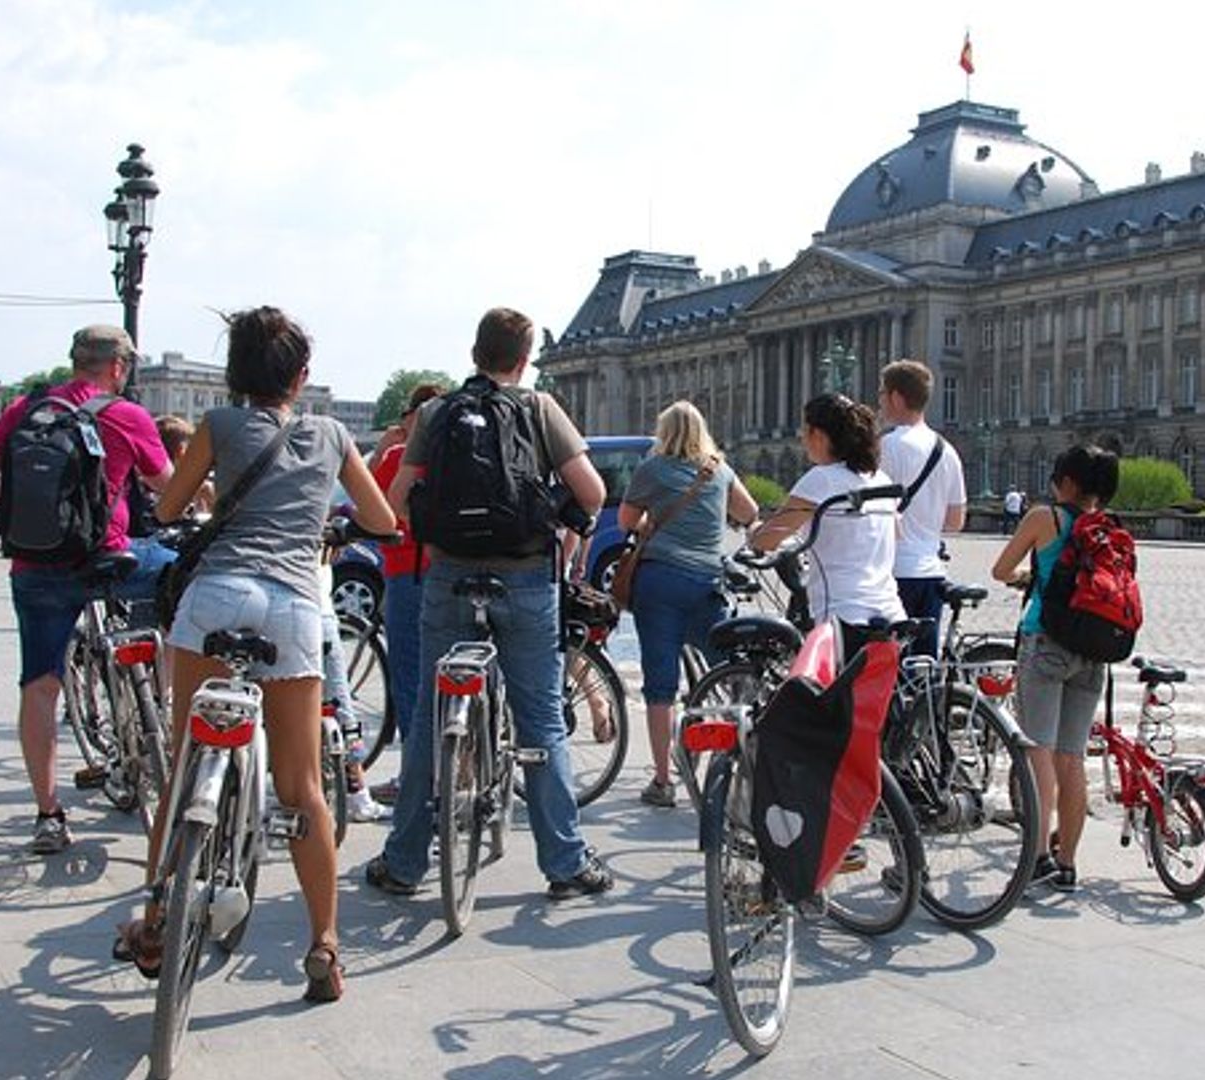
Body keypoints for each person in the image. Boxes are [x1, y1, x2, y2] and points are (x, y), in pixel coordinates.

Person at [125, 306, 393, 1003]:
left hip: (215, 597)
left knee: (186, 761)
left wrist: (216, 498)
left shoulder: (216, 425)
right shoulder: (332, 434)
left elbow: (165, 510)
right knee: (302, 788)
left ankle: (155, 916)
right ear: (302, 377)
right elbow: (383, 520)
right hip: (294, 607)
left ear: (236, 376)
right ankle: (325, 948)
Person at [366, 306, 613, 901]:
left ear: (474, 353)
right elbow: (594, 493)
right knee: (542, 723)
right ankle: (565, 863)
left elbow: (398, 499)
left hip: (448, 575)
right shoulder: (539, 408)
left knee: (429, 712)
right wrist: (562, 522)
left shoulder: (435, 411)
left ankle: (403, 862)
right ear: (524, 360)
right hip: (526, 578)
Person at [0, 325, 174, 854]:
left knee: (39, 685)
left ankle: (49, 814)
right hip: (108, 555)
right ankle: (161, 691)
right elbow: (169, 486)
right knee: (186, 579)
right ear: (120, 368)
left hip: (36, 564)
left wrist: (5, 511)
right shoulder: (126, 415)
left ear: (75, 361)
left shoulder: (26, 409)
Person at [990, 443, 1122, 895]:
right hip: (1092, 650)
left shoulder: (1044, 518)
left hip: (1045, 642)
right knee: (1072, 758)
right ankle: (1067, 864)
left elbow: (1000, 568)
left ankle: (1038, 856)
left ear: (1067, 482)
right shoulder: (1106, 526)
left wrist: (1031, 578)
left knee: (1038, 753)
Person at [621, 401, 759, 808]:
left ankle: (663, 782)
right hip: (707, 582)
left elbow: (628, 521)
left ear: (665, 432)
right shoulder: (719, 470)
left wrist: (653, 524)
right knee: (727, 671)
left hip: (660, 580)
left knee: (660, 686)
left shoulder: (652, 468)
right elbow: (749, 513)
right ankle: (740, 758)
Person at [751, 393, 905, 654]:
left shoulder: (821, 480)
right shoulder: (881, 479)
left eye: (804, 431)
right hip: (892, 612)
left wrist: (754, 531)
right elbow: (897, 535)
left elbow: (768, 538)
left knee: (812, 692)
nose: (802, 439)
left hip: (843, 614)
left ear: (818, 435)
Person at [364, 383, 444, 808]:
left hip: (407, 571)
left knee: (410, 680)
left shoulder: (399, 457)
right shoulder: (453, 455)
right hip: (451, 569)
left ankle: (416, 779)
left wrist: (381, 451)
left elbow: (370, 508)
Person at [876, 360, 965, 659]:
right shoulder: (947, 450)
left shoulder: (886, 447)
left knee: (887, 666)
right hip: (931, 573)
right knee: (924, 668)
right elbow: (955, 520)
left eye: (882, 394)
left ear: (897, 398)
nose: (880, 401)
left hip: (892, 572)